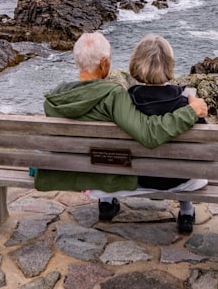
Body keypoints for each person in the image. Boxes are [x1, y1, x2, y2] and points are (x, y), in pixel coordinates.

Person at [37, 32, 209, 222]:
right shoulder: (114, 98)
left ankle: (106, 201)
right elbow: (149, 133)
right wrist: (191, 110)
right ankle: (186, 210)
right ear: (104, 63)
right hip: (173, 178)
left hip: (90, 169)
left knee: (108, 154)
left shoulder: (53, 99)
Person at [127, 34, 207, 233]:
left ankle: (106, 202)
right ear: (169, 66)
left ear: (136, 64)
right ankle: (186, 211)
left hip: (136, 177)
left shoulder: (125, 103)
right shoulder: (185, 104)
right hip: (179, 179)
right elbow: (203, 148)